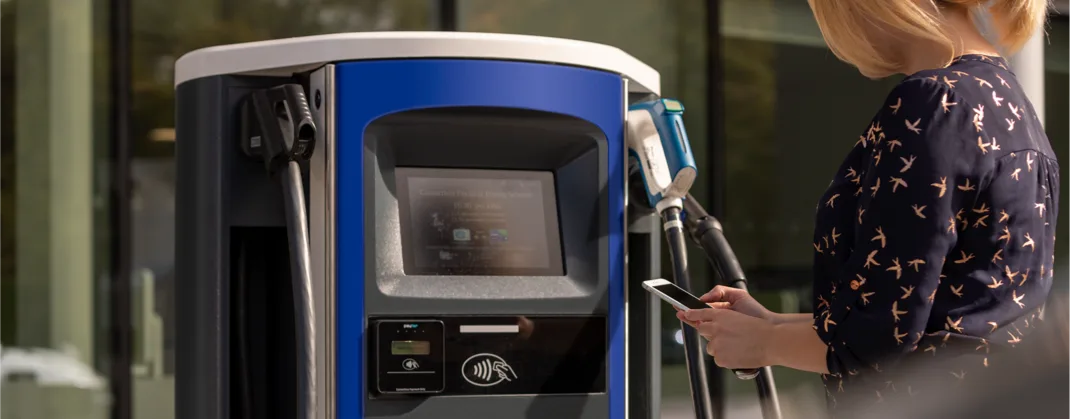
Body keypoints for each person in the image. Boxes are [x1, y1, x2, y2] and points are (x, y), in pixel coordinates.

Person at [678, 0, 1058, 415]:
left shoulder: (932, 102)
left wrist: (763, 343)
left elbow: (879, 337)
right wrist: (770, 323)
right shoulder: (1008, 102)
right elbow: (945, 313)